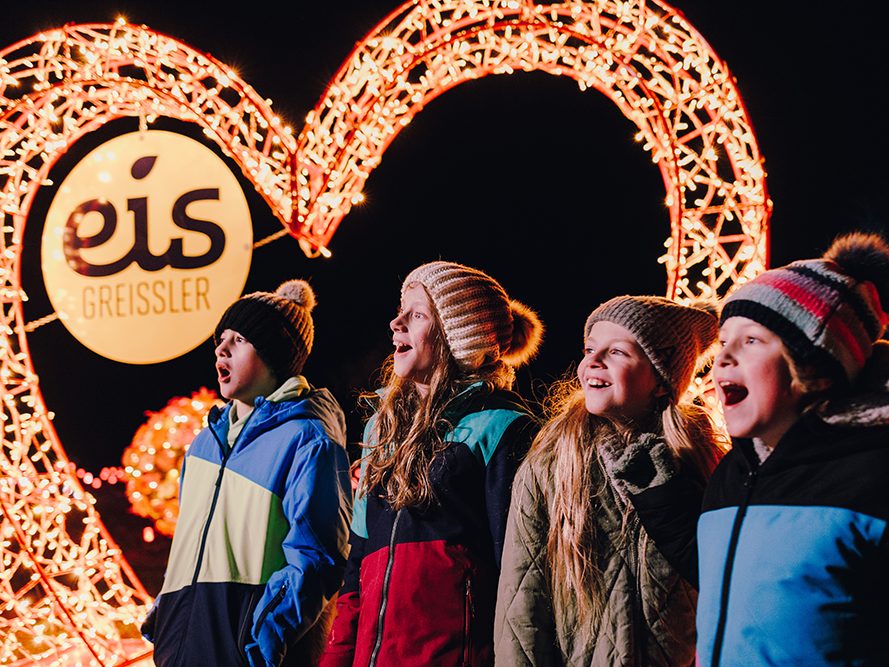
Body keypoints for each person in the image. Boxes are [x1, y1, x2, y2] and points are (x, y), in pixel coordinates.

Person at [320, 261, 543, 667]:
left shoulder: (502, 428)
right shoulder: (379, 431)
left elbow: (522, 577)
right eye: (401, 310)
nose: (396, 323)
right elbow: (358, 563)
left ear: (460, 338)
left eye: (417, 315)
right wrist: (337, 658)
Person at [693, 232, 889, 666]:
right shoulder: (731, 473)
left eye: (752, 341)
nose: (722, 357)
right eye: (723, 340)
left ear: (814, 369)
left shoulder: (874, 478)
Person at [494, 295, 724, 666]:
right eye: (589, 348)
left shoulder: (695, 461)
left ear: (662, 379)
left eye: (617, 352)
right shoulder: (552, 462)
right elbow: (522, 598)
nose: (592, 362)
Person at [142, 279, 353, 667]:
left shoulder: (307, 439)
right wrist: (166, 616)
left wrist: (265, 639)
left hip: (245, 651)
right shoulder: (204, 443)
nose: (221, 349)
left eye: (238, 339)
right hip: (180, 646)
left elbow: (318, 558)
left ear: (274, 353)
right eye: (221, 340)